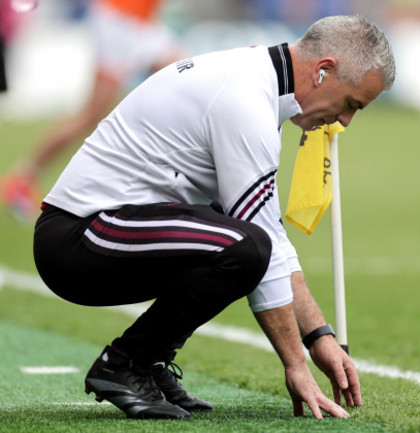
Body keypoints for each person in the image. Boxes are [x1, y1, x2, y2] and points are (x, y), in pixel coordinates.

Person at [33, 14, 396, 420]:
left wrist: (318, 336)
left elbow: (270, 232)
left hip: (107, 229)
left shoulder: (256, 79)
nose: (345, 120)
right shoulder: (244, 97)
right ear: (323, 71)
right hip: (78, 238)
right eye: (351, 104)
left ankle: (146, 362)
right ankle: (125, 364)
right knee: (245, 247)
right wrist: (296, 364)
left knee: (249, 241)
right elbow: (261, 242)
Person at [0, 0, 184, 221]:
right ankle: (22, 178)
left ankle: (179, 176)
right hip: (121, 19)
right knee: (90, 115)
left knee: (188, 78)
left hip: (139, 22)